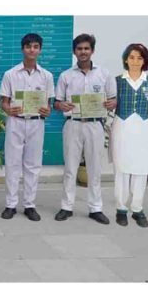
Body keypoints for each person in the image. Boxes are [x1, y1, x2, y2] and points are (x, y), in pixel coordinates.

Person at [53, 34, 117, 225]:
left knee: (94, 168)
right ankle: (66, 206)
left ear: (92, 51)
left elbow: (113, 100)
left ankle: (95, 208)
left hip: (95, 124)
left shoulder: (104, 74)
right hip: (73, 124)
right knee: (70, 168)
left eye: (86, 48)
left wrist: (112, 103)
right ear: (74, 52)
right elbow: (56, 102)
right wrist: (61, 106)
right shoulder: (66, 75)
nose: (83, 52)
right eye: (79, 49)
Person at [0, 33, 54, 221]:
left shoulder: (47, 76)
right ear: (23, 49)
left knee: (33, 165)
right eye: (28, 46)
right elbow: (3, 103)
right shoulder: (10, 74)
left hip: (36, 122)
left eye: (36, 46)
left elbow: (48, 104)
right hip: (16, 121)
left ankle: (29, 205)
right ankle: (10, 204)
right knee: (13, 164)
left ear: (40, 49)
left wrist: (47, 111)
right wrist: (9, 109)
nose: (32, 50)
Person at [110, 43, 148, 228]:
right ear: (125, 59)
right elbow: (111, 103)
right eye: (131, 57)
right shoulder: (118, 80)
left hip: (142, 129)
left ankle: (137, 209)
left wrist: (142, 120)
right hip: (122, 127)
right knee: (121, 169)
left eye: (139, 58)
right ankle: (121, 209)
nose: (135, 61)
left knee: (140, 169)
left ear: (145, 61)